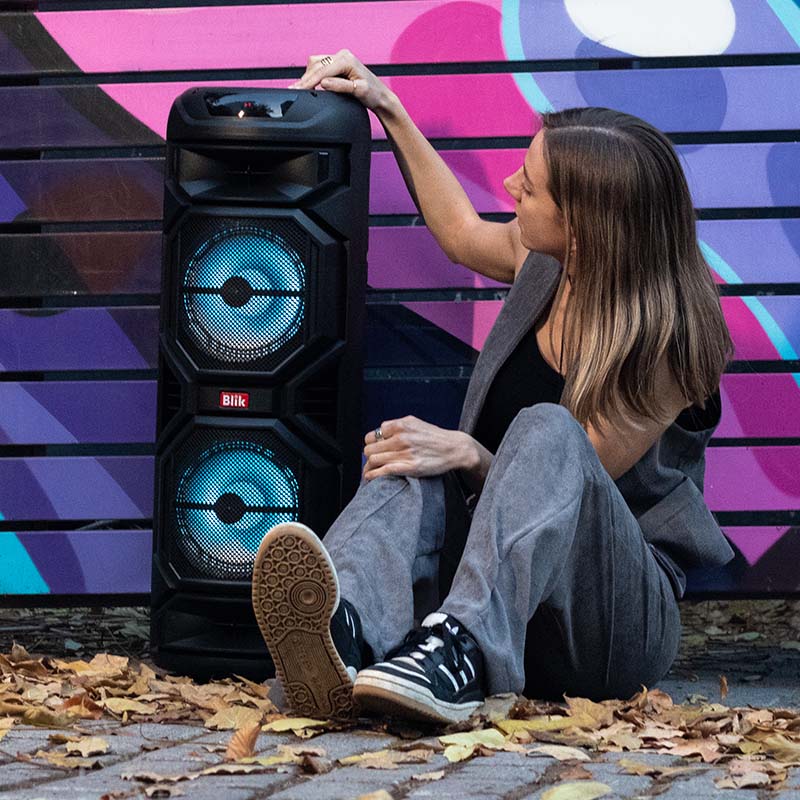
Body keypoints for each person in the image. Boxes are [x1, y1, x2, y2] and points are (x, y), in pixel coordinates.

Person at [250, 51, 735, 725]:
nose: (509, 186)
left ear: (584, 227)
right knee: (413, 459)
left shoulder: (669, 339)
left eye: (529, 188)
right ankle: (343, 634)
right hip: (500, 596)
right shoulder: (547, 262)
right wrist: (388, 105)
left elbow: (568, 485)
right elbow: (460, 232)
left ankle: (457, 653)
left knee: (546, 427)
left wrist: (471, 453)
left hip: (605, 624)